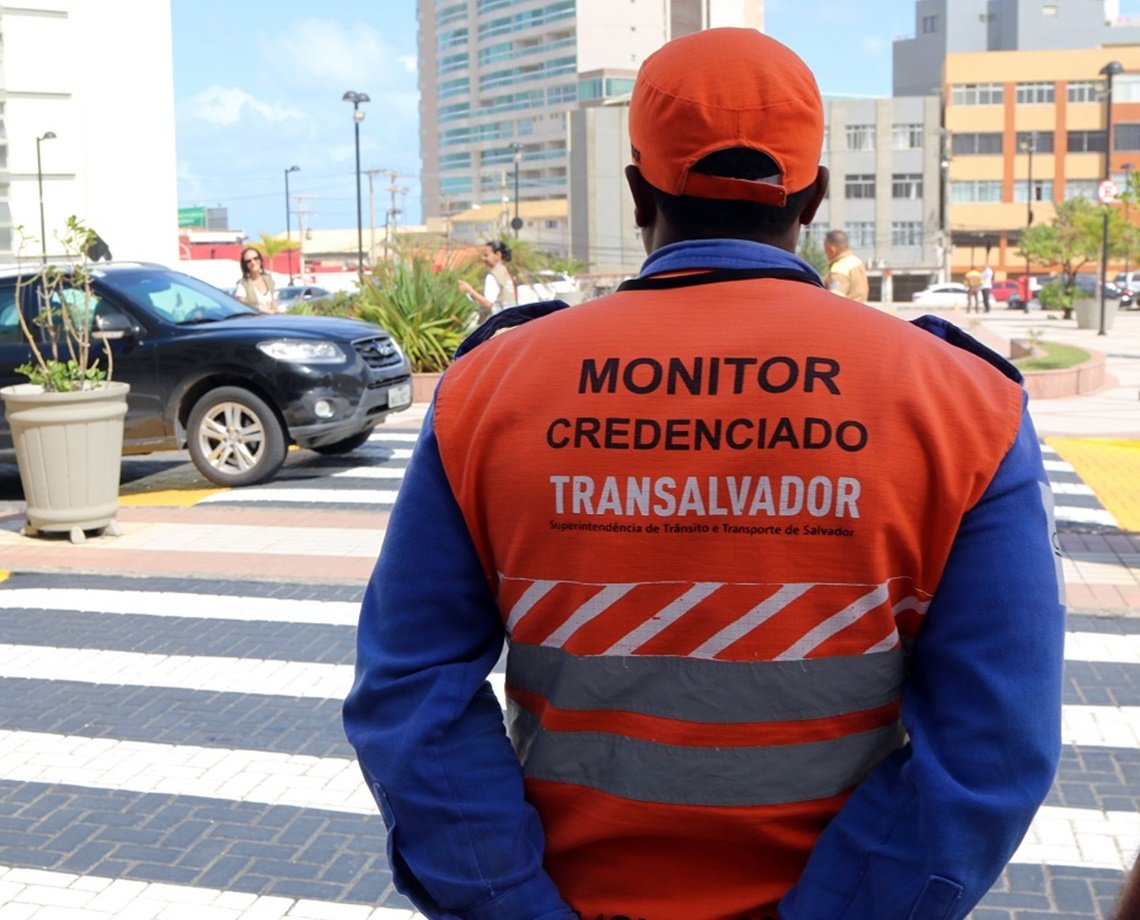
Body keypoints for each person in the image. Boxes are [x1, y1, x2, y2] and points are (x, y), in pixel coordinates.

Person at [343, 27, 1064, 920]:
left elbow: (410, 697)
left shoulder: (492, 389)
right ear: (814, 196)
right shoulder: (962, 404)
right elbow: (992, 748)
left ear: (639, 192)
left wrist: (512, 905)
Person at [457, 239, 517, 322]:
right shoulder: (506, 272)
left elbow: (488, 303)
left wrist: (469, 290)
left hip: (499, 323)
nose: (483, 258)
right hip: (511, 320)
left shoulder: (493, 275)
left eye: (486, 255)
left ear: (498, 254)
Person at [822, 228, 869, 302]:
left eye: (825, 249)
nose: (825, 253)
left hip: (845, 312)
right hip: (860, 310)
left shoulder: (839, 268)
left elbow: (834, 300)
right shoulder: (857, 262)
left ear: (832, 249)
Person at [234, 247, 277, 313]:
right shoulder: (242, 284)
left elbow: (274, 304)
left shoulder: (269, 280)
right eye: (248, 261)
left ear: (260, 259)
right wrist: (261, 311)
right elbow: (241, 310)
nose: (253, 262)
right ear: (245, 265)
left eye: (255, 258)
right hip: (254, 322)